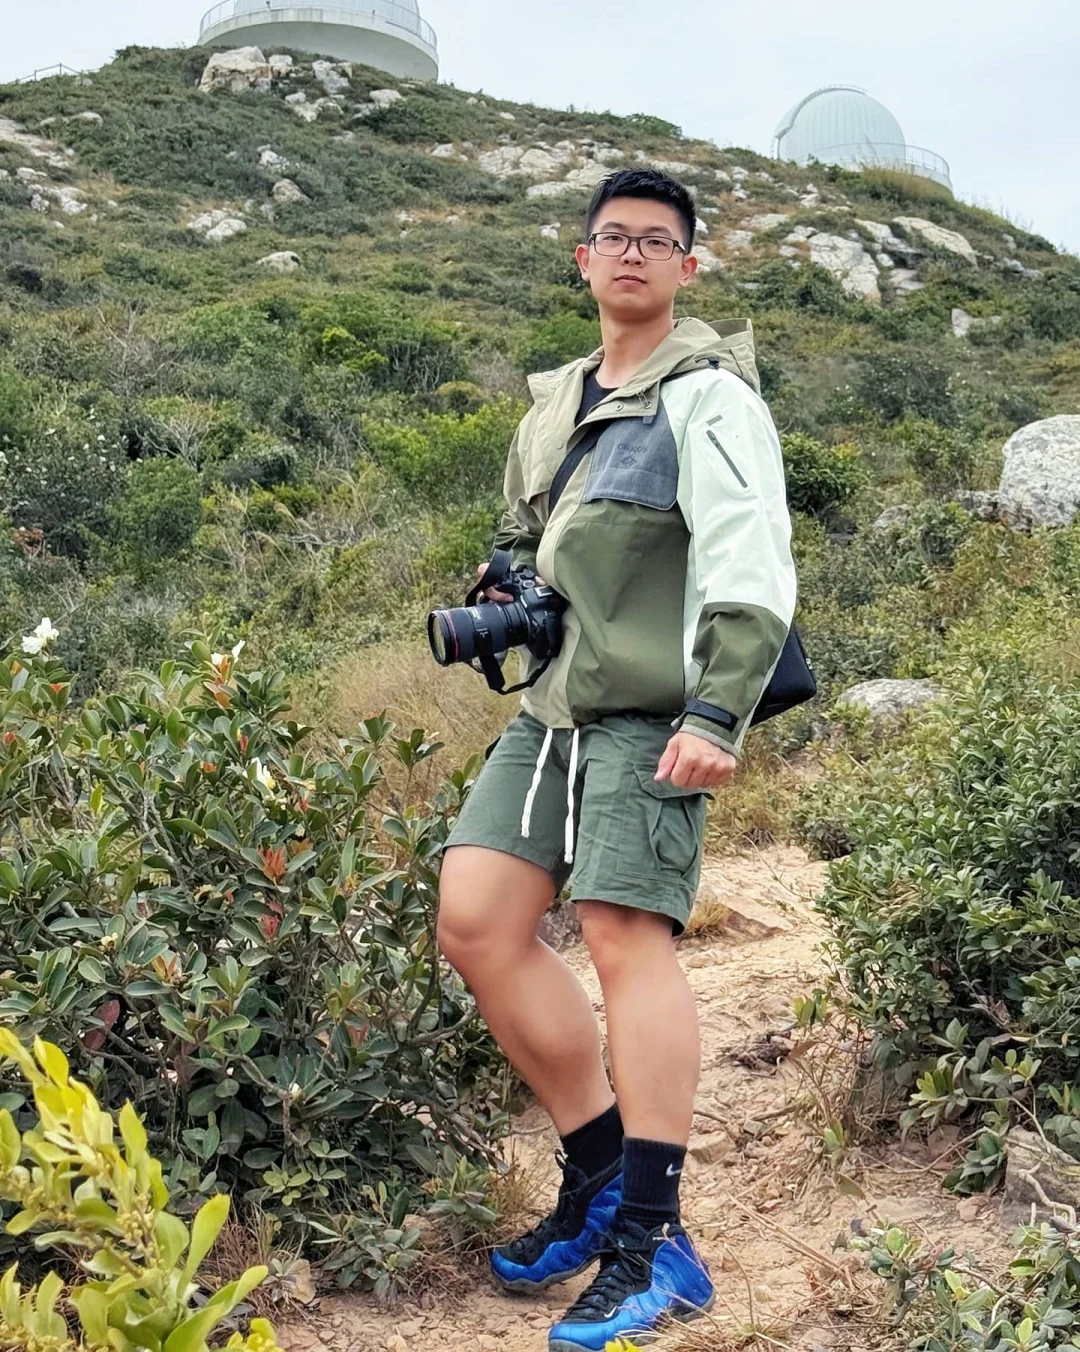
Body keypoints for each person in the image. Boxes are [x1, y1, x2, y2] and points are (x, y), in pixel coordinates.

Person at [436, 167, 797, 1351]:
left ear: (687, 267)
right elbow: (520, 534)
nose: (632, 253)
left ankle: (656, 1240)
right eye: (613, 236)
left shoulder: (710, 397)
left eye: (657, 240)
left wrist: (718, 711)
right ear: (582, 259)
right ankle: (599, 1176)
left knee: (622, 932)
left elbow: (751, 556)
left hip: (654, 708)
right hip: (553, 708)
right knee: (477, 918)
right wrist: (506, 579)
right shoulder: (554, 402)